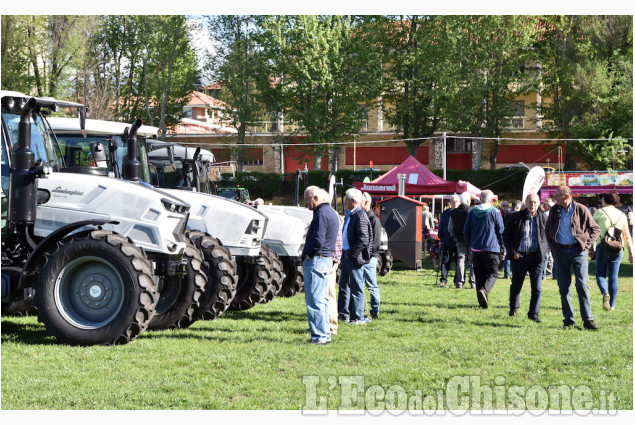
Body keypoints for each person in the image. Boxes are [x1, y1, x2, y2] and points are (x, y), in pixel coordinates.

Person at [546, 186, 601, 330]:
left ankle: (588, 320)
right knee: (564, 288)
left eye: (557, 195)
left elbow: (595, 229)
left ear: (567, 197)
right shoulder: (554, 210)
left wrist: (586, 245)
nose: (554, 197)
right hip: (560, 253)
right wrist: (553, 246)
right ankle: (568, 320)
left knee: (582, 285)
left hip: (578, 252)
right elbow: (547, 230)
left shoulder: (581, 209)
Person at [301, 186, 340, 345]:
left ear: (315, 197)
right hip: (326, 259)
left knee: (315, 299)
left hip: (317, 259)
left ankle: (318, 337)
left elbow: (318, 240)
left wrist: (308, 254)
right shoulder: (331, 212)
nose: (306, 205)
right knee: (323, 299)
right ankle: (325, 334)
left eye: (307, 201)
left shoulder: (321, 214)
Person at [503, 193, 548, 322]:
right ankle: (513, 309)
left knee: (537, 288)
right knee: (516, 285)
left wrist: (544, 253)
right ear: (525, 203)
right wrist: (512, 252)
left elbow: (549, 237)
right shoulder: (515, 217)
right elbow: (506, 236)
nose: (532, 204)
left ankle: (534, 314)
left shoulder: (544, 218)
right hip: (519, 257)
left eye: (535, 202)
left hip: (536, 258)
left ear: (539, 203)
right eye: (530, 202)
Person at [463, 189, 505, 308]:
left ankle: (482, 303)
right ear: (491, 199)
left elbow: (466, 231)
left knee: (479, 275)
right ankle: (484, 291)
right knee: (493, 273)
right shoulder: (495, 212)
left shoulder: (472, 212)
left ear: (480, 199)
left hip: (476, 249)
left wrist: (470, 243)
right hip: (491, 248)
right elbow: (500, 231)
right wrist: (503, 248)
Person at [592, 191, 633, 311]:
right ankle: (612, 305)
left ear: (606, 200)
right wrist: (631, 253)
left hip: (602, 246)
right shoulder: (622, 214)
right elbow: (627, 237)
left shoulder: (599, 212)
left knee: (600, 274)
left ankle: (605, 293)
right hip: (618, 248)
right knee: (613, 276)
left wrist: (590, 249)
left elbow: (592, 232)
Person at [338, 188, 372, 325]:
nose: (344, 201)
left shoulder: (360, 215)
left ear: (353, 201)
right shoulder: (350, 214)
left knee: (356, 287)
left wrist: (351, 254)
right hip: (347, 255)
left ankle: (357, 317)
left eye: (346, 199)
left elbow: (364, 239)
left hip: (354, 257)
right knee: (343, 287)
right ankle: (344, 315)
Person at [361, 192, 382, 319]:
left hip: (369, 258)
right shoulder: (363, 217)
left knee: (371, 285)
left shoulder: (373, 220)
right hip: (362, 257)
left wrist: (366, 256)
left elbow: (376, 243)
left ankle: (375, 310)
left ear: (367, 202)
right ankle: (361, 309)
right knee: (360, 284)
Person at [449, 191, 475, 289]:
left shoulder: (454, 212)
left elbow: (450, 227)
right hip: (472, 240)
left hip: (459, 240)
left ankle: (459, 282)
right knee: (472, 261)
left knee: (461, 260)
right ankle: (473, 283)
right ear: (468, 200)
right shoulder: (473, 211)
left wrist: (454, 236)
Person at [438, 194, 459, 287]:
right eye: (453, 201)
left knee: (459, 262)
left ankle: (457, 280)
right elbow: (441, 226)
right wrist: (440, 239)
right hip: (447, 240)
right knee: (445, 261)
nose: (454, 203)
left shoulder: (462, 213)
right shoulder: (445, 213)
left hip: (458, 241)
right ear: (450, 203)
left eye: (456, 201)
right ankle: (443, 279)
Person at [328, 218, 343, 335]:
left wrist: (335, 262)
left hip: (329, 263)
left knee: (329, 294)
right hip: (329, 261)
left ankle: (331, 326)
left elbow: (338, 243)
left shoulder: (331, 216)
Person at [541, 198, 556, 279]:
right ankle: (555, 274)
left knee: (546, 256)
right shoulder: (558, 214)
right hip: (555, 237)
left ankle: (543, 275)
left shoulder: (545, 214)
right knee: (554, 256)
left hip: (547, 238)